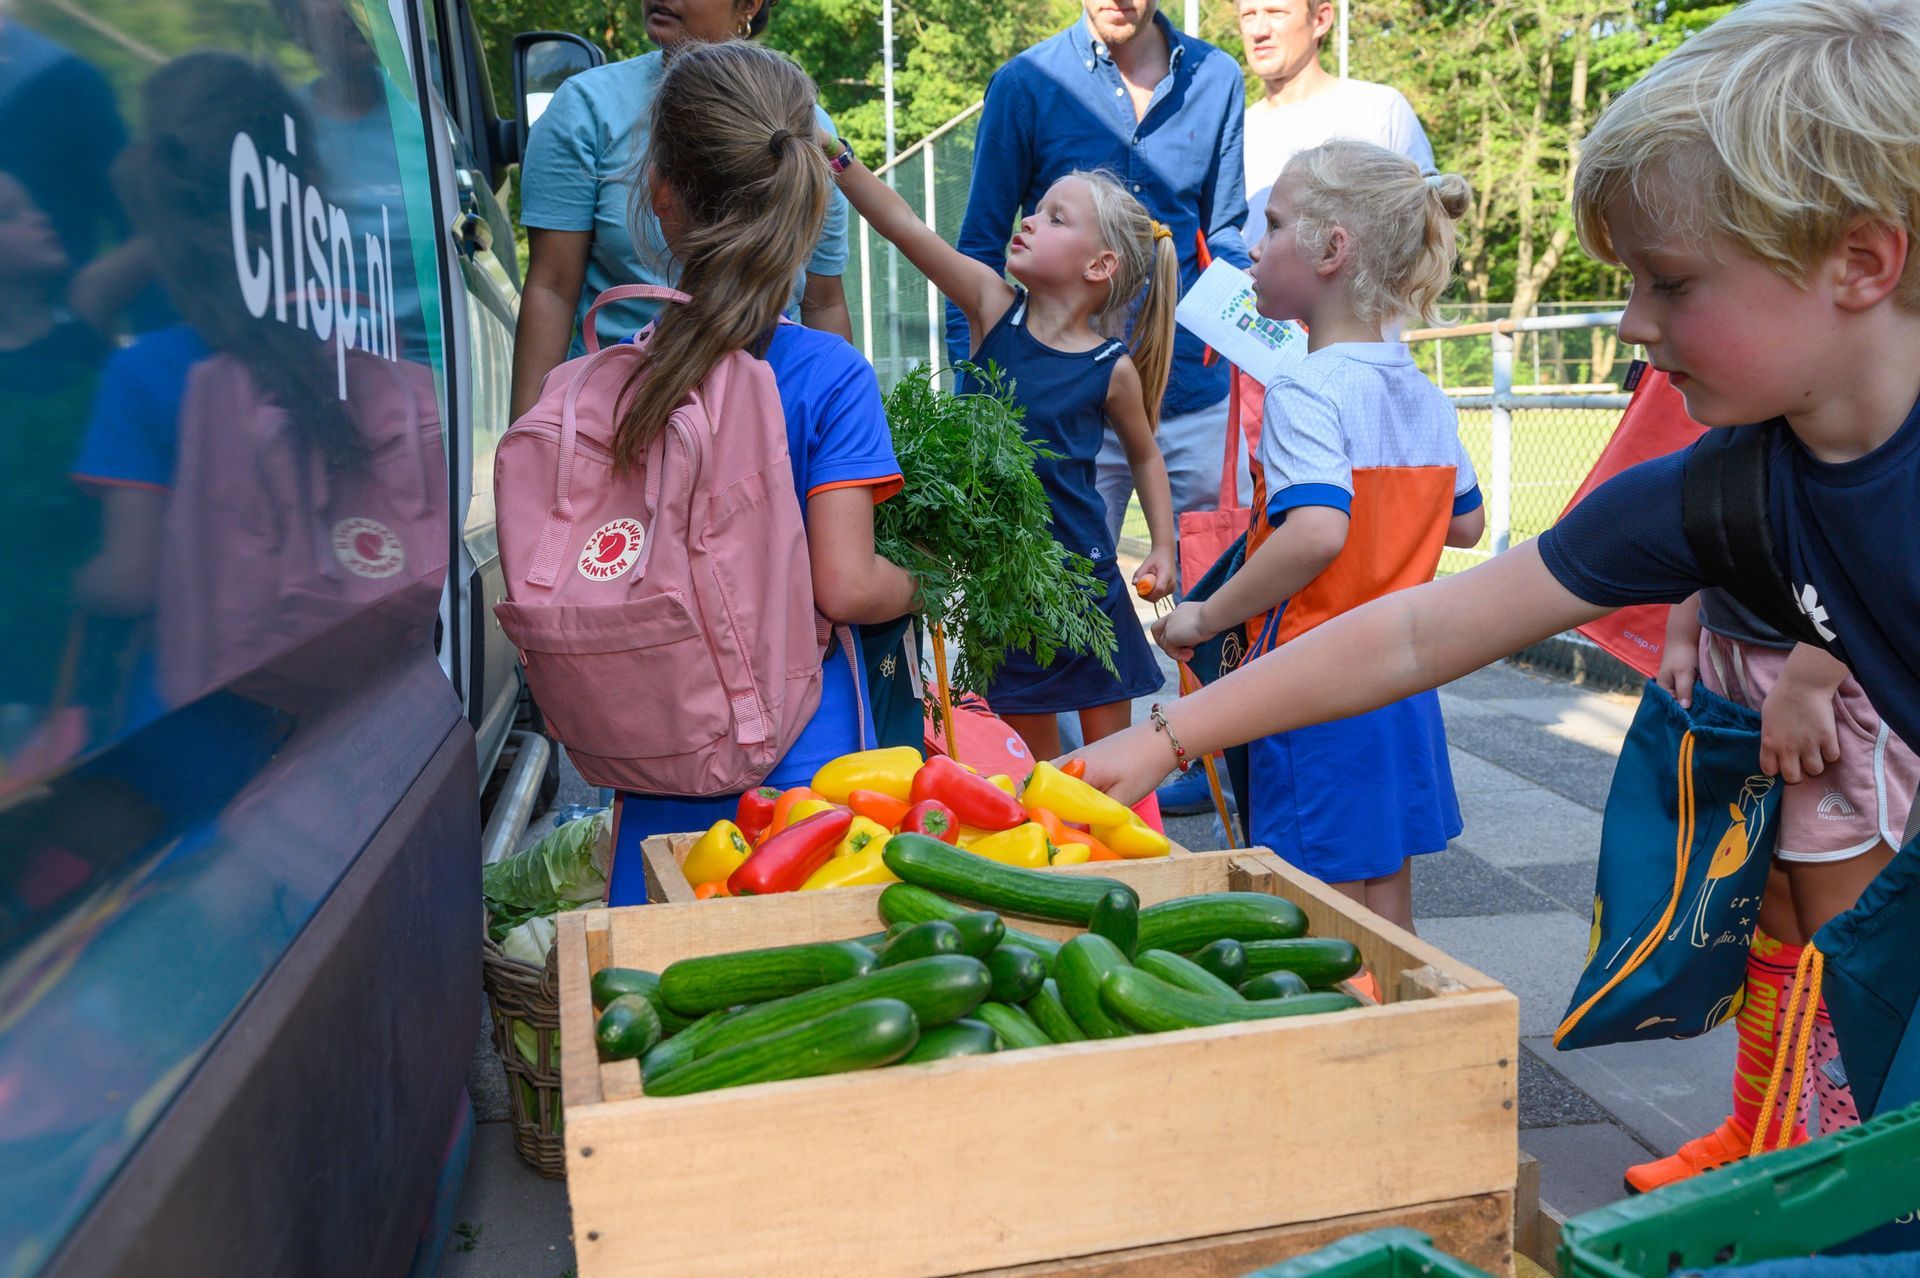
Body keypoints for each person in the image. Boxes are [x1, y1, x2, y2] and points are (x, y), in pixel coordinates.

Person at [1067, 0, 1920, 1135]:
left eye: (1669, 282)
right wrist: (1165, 736)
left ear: (1860, 261)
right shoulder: (1724, 488)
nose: (1628, 323)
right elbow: (1423, 630)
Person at [592, 42, 917, 905]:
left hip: (652, 753)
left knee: (657, 998)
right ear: (805, 205)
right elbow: (845, 585)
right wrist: (919, 585)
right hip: (800, 776)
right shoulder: (827, 374)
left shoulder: (614, 381)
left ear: (661, 196)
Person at [1150, 140, 1481, 930]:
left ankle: (1329, 1043)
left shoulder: (1304, 385)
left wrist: (1206, 615)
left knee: (1307, 913)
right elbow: (1464, 522)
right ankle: (1400, 1032)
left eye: (1271, 225)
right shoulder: (1422, 393)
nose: (1252, 249)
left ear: (1333, 250)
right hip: (1402, 682)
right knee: (1384, 892)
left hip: (1315, 681)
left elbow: (1316, 534)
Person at [826, 130, 1179, 757]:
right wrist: (837, 159)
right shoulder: (993, 308)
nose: (1030, 220)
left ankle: (1122, 858)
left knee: (1112, 772)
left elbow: (1146, 455)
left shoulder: (1110, 366)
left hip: (1088, 586)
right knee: (1033, 773)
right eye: (1037, 209)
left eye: (1055, 218)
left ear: (1099, 266)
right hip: (1005, 590)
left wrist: (1163, 545)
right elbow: (906, 227)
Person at [1623, 593, 1920, 1189]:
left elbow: (1878, 535)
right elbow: (1704, 516)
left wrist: (1811, 677)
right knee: (1773, 925)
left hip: (1832, 676)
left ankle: (1856, 1177)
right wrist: (1684, 629)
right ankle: (1763, 1136)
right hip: (1742, 663)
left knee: (1846, 947)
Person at [950, 0, 1251, 545]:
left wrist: (1264, 334)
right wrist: (974, 397)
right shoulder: (1025, 83)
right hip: (1063, 412)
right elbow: (979, 246)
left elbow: (1224, 231)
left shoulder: (1219, 77)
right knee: (1063, 600)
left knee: (1212, 607)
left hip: (1194, 396)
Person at [511, 0, 851, 421]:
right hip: (615, 421)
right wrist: (528, 442)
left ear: (748, 3)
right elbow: (551, 288)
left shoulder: (804, 127)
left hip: (771, 422)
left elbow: (823, 302)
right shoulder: (586, 108)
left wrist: (833, 435)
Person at [1235, 0, 1434, 239]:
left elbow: (1428, 227)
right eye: (1248, 14)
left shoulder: (1379, 109)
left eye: (1276, 12)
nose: (1258, 31)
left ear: (1321, 19)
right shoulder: (1234, 134)